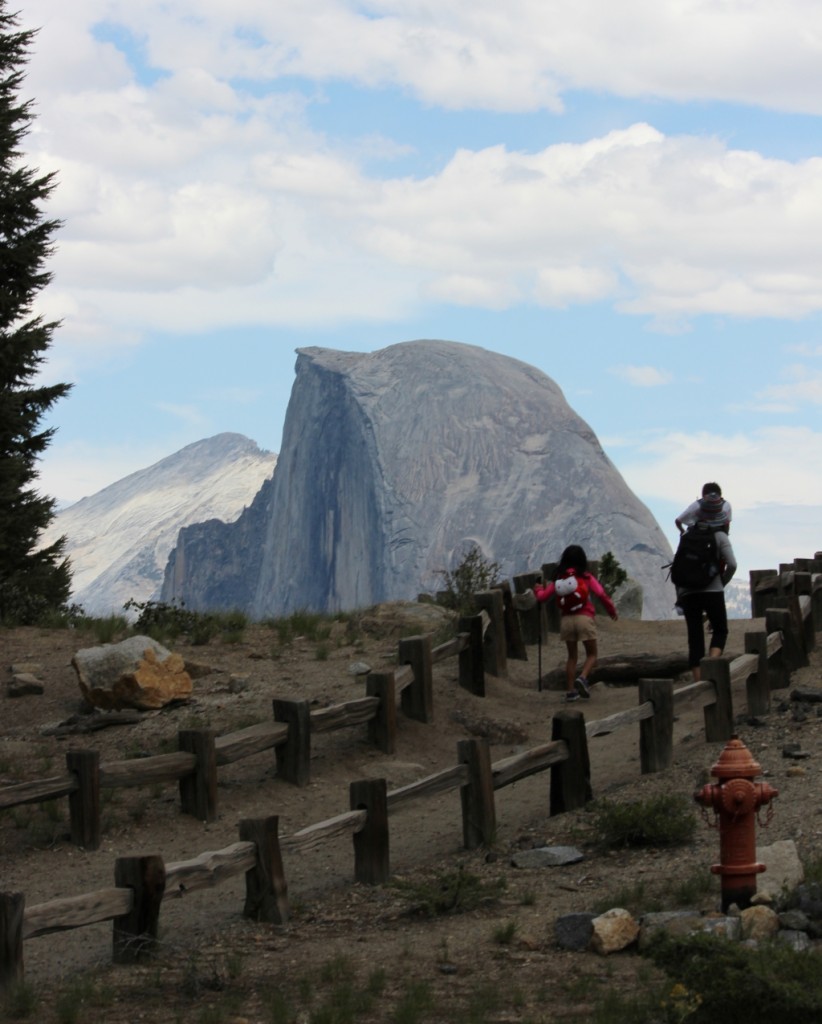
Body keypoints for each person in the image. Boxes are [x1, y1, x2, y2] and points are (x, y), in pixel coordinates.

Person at [532, 545, 618, 702]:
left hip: (566, 621)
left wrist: (537, 590)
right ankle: (583, 678)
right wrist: (611, 610)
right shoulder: (586, 577)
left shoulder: (560, 579)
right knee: (592, 654)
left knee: (572, 657)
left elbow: (543, 598)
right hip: (584, 619)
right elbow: (601, 594)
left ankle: (570, 692)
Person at [678, 527, 736, 681]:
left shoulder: (687, 536)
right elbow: (732, 564)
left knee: (695, 637)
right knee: (720, 630)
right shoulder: (719, 536)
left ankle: (699, 684)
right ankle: (712, 668)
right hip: (713, 590)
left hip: (688, 592)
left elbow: (679, 565)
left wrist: (681, 595)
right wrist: (721, 582)